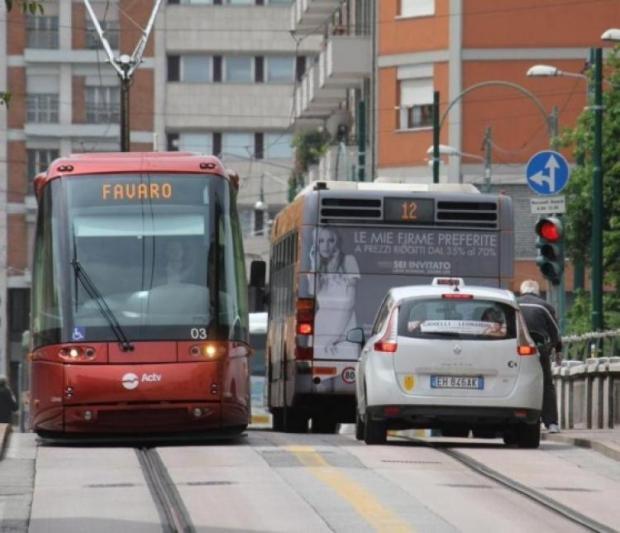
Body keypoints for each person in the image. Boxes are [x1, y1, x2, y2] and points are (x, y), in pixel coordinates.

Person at [517, 279, 561, 433]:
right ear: (537, 292)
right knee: (547, 384)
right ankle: (551, 423)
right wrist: (557, 349)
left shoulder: (513, 304)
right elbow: (555, 332)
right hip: (539, 350)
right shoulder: (544, 306)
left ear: (521, 291)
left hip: (515, 351)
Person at [311, 227, 360, 356]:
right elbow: (313, 291)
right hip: (321, 329)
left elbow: (349, 304)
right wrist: (313, 264)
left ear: (337, 242)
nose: (325, 246)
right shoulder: (318, 267)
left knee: (346, 370)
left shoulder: (348, 261)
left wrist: (334, 338)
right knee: (318, 373)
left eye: (331, 240)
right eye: (321, 241)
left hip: (343, 331)